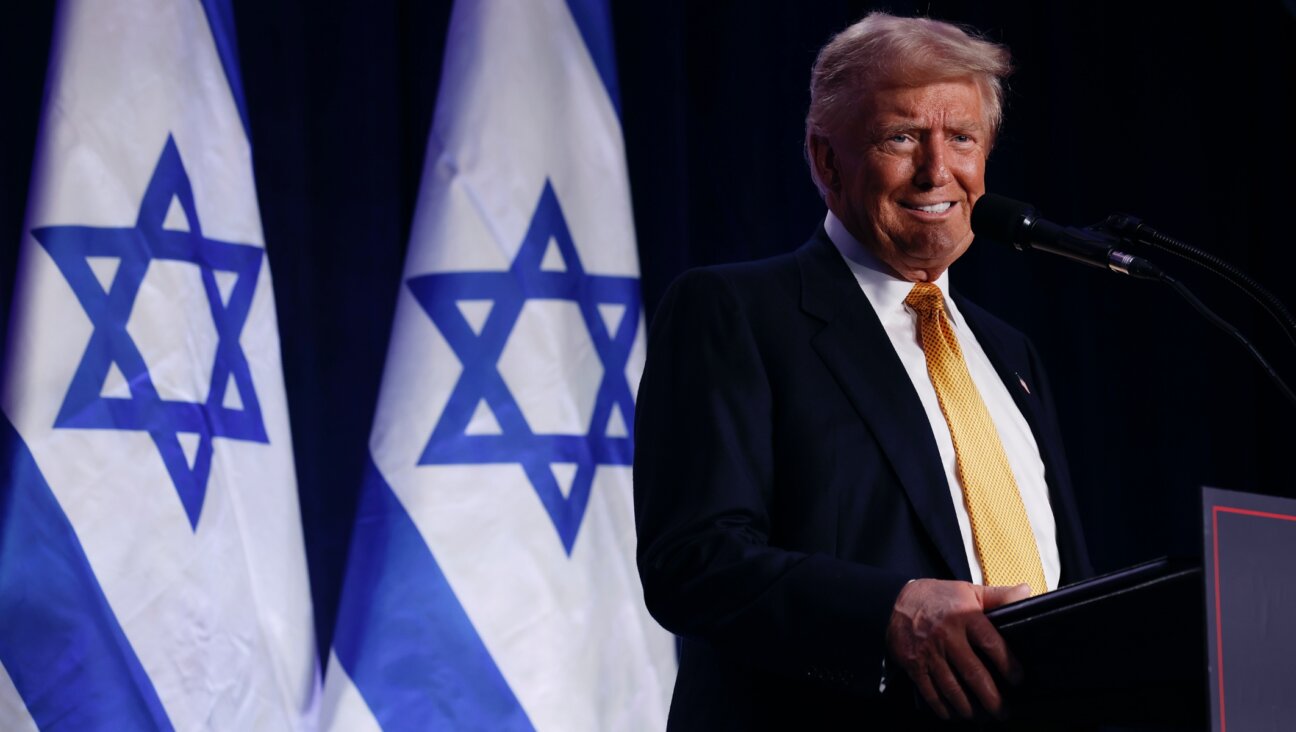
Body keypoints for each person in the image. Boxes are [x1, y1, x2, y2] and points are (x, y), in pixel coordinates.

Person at [633, 12, 1092, 730]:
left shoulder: (1011, 354)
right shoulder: (736, 313)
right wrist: (890, 611)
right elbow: (693, 562)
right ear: (827, 161)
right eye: (901, 137)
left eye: (962, 138)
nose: (938, 171)